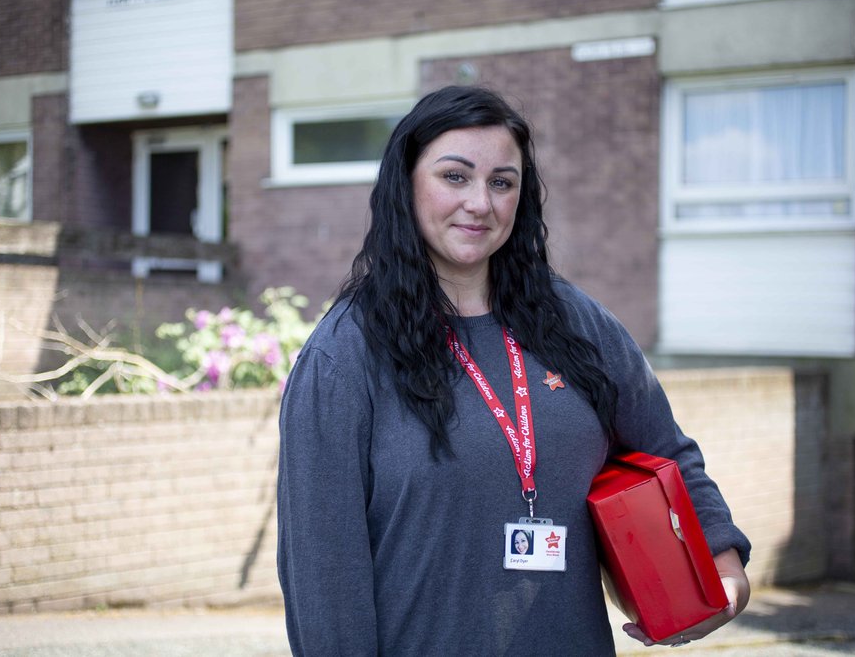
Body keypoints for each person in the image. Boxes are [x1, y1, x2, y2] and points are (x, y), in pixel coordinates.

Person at [276, 85, 751, 655]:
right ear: (405, 184)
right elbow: (323, 570)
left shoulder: (573, 320)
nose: (481, 202)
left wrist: (721, 559)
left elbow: (666, 450)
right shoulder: (344, 356)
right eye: (455, 176)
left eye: (502, 182)